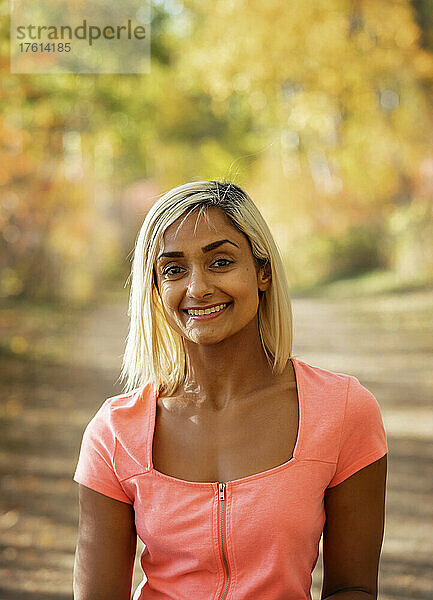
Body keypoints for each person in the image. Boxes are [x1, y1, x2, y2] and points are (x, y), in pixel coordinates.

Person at [73, 180, 388, 600]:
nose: (197, 287)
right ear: (156, 289)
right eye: (173, 269)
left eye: (220, 262)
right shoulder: (114, 432)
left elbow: (353, 588)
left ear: (263, 272)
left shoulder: (343, 410)